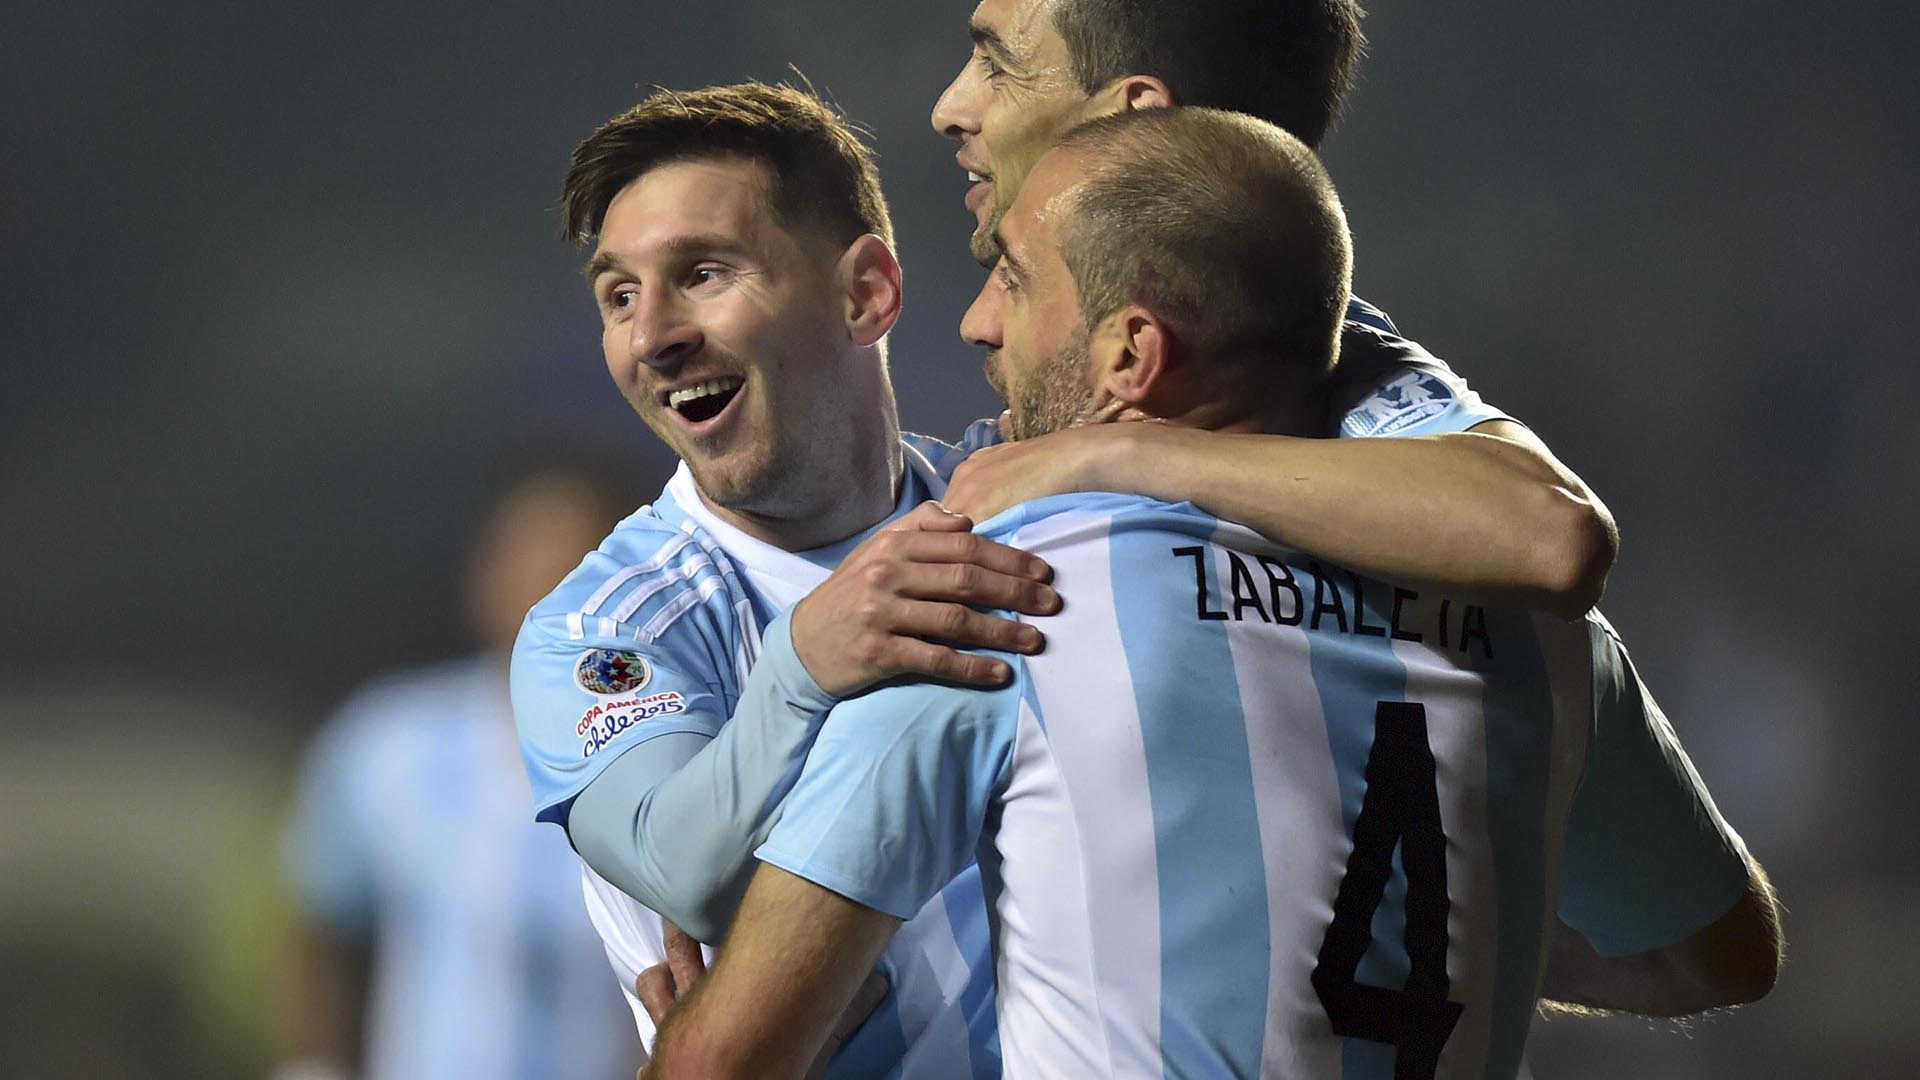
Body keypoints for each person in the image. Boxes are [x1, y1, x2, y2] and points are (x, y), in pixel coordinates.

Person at [515, 69, 1622, 1074]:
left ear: (867, 293)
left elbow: (1542, 526)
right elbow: (683, 871)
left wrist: (1387, 938)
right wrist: (803, 666)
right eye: (619, 296)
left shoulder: (1059, 537)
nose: (650, 335)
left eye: (702, 275)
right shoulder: (610, 624)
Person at [930, 0, 1617, 619]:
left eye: (999, 65)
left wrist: (1112, 450)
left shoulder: (1329, 358)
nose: (950, 107)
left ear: (1132, 113)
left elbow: (1550, 532)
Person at [276, 461, 640, 1080]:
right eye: (533, 563)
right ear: (487, 577)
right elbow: (320, 924)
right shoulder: (386, 744)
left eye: (580, 571)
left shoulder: (665, 761)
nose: (553, 597)